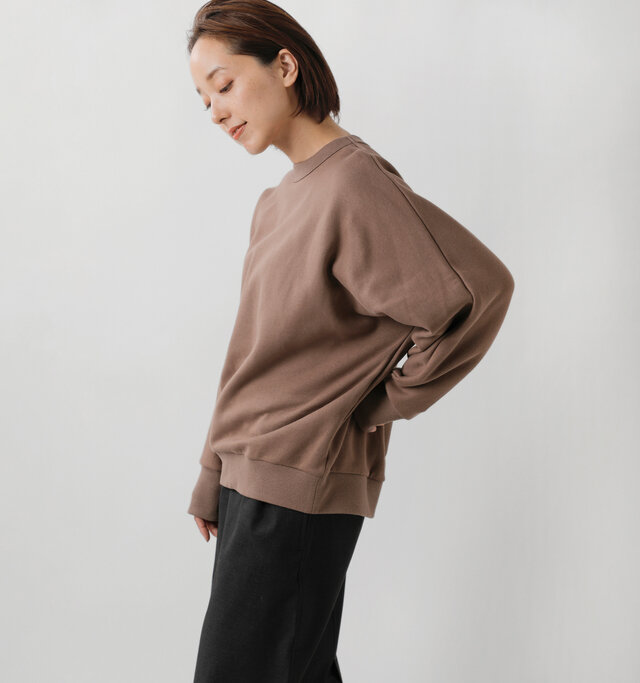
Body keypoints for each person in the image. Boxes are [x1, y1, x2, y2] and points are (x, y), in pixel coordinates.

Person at [185, 1, 515, 681]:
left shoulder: (353, 183)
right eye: (203, 99)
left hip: (297, 485)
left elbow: (477, 293)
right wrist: (215, 469)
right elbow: (251, 354)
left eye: (223, 84)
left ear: (284, 65)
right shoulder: (277, 203)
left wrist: (381, 403)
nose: (215, 111)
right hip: (254, 481)